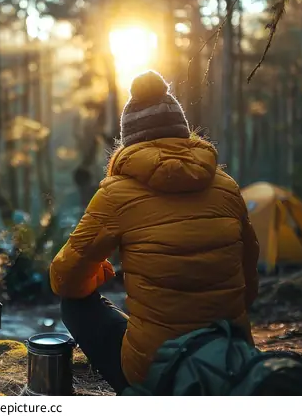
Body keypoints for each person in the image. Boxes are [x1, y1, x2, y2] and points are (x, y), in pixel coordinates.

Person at [50, 70, 260, 394]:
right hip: (231, 359)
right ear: (183, 132)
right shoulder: (227, 187)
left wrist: (94, 276)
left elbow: (64, 277)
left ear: (130, 139)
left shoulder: (116, 194)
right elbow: (249, 278)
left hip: (159, 373)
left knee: (74, 305)